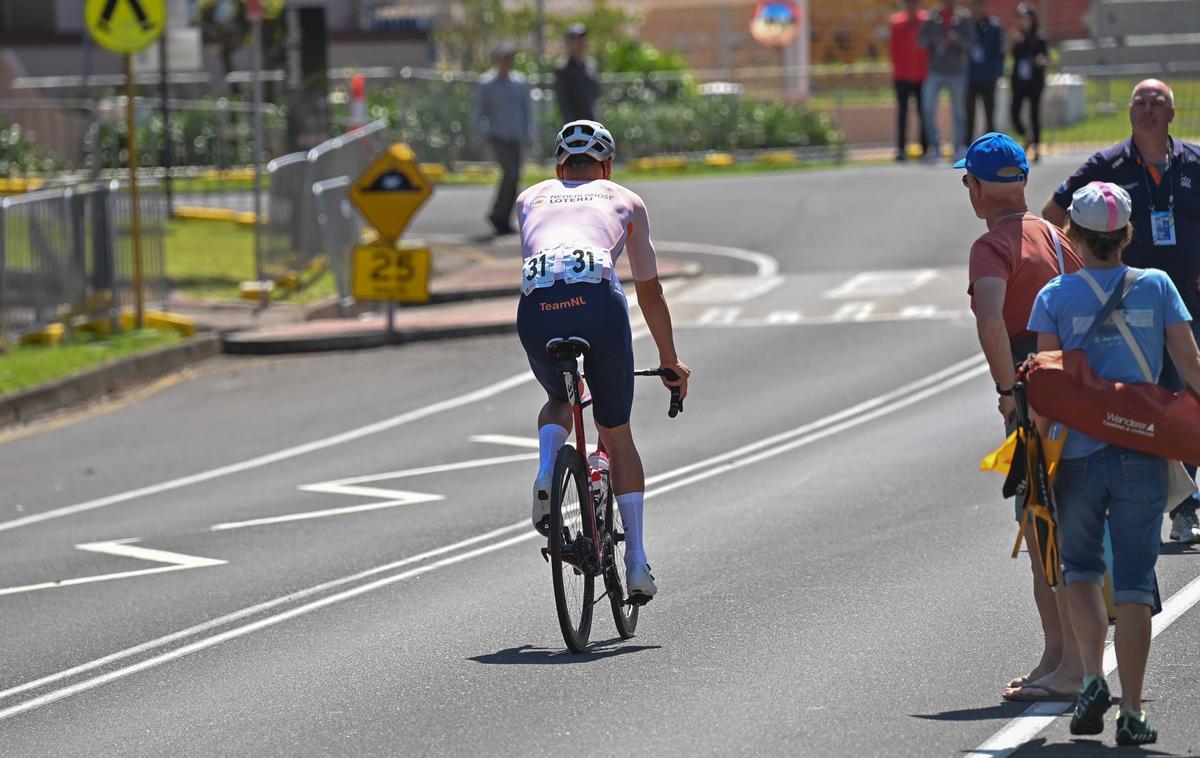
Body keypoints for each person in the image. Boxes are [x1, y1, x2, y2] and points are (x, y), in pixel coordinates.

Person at [1029, 181, 1200, 745]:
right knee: (1132, 581)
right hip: (1142, 452)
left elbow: (1048, 392)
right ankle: (1131, 710)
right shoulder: (1158, 286)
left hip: (1077, 454)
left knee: (1078, 570)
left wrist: (1035, 454)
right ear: (1126, 234)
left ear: (1073, 235)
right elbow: (1190, 365)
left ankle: (1089, 681)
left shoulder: (1053, 296)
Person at [515, 119, 691, 601]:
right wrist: (670, 360)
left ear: (558, 166)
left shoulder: (529, 197)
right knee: (616, 435)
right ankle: (635, 562)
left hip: (537, 306)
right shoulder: (625, 200)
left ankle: (547, 470)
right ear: (607, 166)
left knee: (558, 397)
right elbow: (649, 293)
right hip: (597, 304)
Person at [1042, 79, 1200, 543]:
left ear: (1172, 114)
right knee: (1137, 396)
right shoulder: (1105, 166)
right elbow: (1052, 215)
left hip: (1184, 301)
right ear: (1129, 113)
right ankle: (1139, 500)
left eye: (1158, 103)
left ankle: (1183, 504)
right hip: (1123, 300)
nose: (1149, 110)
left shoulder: (1194, 163)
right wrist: (1079, 277)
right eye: (1140, 102)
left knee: (1181, 397)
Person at [959, 132, 1086, 700]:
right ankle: (1057, 656)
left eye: (969, 182)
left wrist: (1007, 390)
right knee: (1061, 522)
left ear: (979, 189)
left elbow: (990, 318)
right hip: (1078, 390)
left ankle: (1070, 666)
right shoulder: (1057, 239)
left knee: (1041, 528)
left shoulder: (991, 247)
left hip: (1033, 394)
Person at [473, 43, 532, 236]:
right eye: (502, 58)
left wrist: (529, 132)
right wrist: (481, 134)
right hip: (498, 135)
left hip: (515, 136)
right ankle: (499, 214)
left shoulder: (519, 82)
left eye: (508, 58)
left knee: (515, 177)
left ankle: (502, 218)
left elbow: (526, 110)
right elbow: (480, 110)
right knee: (511, 173)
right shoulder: (487, 83)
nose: (505, 62)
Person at [919, 0, 975, 162]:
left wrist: (956, 40)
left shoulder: (963, 18)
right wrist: (933, 40)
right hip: (935, 72)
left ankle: (958, 148)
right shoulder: (932, 17)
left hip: (957, 73)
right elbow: (921, 41)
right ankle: (935, 148)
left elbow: (971, 43)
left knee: (958, 112)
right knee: (928, 108)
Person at [889, 0, 930, 161]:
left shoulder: (926, 21)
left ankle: (925, 148)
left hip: (921, 75)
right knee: (902, 113)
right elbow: (893, 49)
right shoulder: (897, 22)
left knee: (923, 112)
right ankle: (900, 148)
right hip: (902, 75)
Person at [1009, 3, 1049, 161]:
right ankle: (1027, 136)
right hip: (1019, 81)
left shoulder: (1039, 38)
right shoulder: (1017, 37)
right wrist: (1012, 41)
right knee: (1014, 113)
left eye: (1026, 18)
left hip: (1034, 80)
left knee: (1034, 114)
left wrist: (1040, 60)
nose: (1023, 21)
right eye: (1021, 18)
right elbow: (1006, 52)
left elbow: (1045, 58)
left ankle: (1037, 147)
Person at [966, 0, 1004, 141]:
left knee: (989, 113)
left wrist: (998, 73)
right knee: (969, 114)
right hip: (970, 77)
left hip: (988, 77)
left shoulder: (994, 26)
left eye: (978, 6)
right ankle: (967, 144)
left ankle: (991, 144)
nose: (975, 10)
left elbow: (999, 52)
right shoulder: (967, 26)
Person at [555, 23, 600, 124]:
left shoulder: (592, 65)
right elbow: (563, 102)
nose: (580, 42)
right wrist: (572, 125)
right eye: (576, 39)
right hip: (573, 125)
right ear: (569, 42)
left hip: (592, 121)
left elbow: (595, 95)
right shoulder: (563, 67)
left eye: (582, 38)